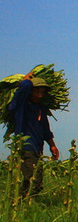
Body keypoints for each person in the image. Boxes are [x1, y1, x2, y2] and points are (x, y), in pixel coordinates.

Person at [8, 71, 60, 200]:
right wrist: (26, 80)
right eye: (37, 91)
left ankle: (21, 204)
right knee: (33, 182)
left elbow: (45, 130)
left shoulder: (40, 109)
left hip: (38, 149)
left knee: (34, 182)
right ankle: (23, 204)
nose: (40, 95)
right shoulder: (21, 106)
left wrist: (52, 146)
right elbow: (23, 90)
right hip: (26, 148)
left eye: (42, 92)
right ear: (30, 91)